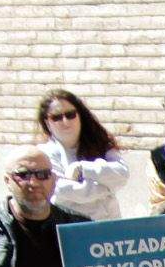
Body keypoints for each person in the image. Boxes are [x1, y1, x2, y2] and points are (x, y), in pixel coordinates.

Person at [36, 89, 128, 221]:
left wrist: (82, 169)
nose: (65, 121)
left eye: (70, 114)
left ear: (80, 115)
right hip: (73, 228)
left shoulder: (99, 143)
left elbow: (122, 174)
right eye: (56, 117)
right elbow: (62, 190)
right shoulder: (44, 154)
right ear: (47, 123)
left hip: (110, 226)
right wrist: (107, 187)